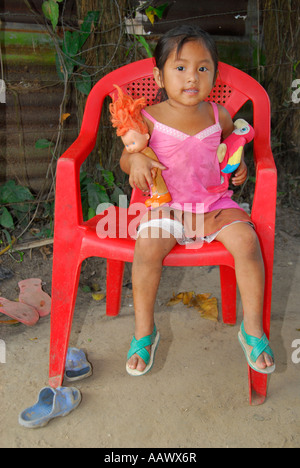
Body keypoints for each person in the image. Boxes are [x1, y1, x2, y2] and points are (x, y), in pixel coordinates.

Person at [119, 25, 275, 377]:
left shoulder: (218, 115)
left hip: (213, 205)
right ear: (159, 76)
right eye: (180, 68)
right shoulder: (148, 119)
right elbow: (126, 159)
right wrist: (137, 160)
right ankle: (145, 332)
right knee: (146, 248)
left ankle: (252, 329)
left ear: (214, 75)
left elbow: (225, 153)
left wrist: (240, 169)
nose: (192, 78)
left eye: (202, 68)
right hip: (166, 207)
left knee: (247, 241)